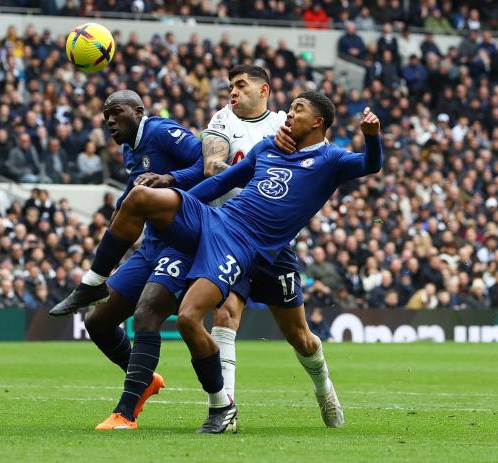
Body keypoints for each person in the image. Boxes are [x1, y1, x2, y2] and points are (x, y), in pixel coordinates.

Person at [77, 93, 381, 432]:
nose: (289, 115)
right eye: (291, 107)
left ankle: (323, 389)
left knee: (296, 335)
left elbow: (370, 164)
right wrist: (177, 200)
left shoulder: (329, 158)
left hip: (264, 249)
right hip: (220, 227)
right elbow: (221, 179)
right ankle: (222, 407)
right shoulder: (246, 132)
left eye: (298, 110)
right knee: (144, 201)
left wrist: (371, 136)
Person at [51, 90, 205, 429]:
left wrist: (171, 179)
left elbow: (207, 163)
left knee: (146, 313)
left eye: (116, 113)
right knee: (97, 321)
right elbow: (134, 192)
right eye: (105, 115)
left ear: (138, 111)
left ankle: (125, 413)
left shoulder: (163, 132)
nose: (109, 120)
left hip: (184, 243)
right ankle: (145, 378)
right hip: (151, 245)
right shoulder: (129, 150)